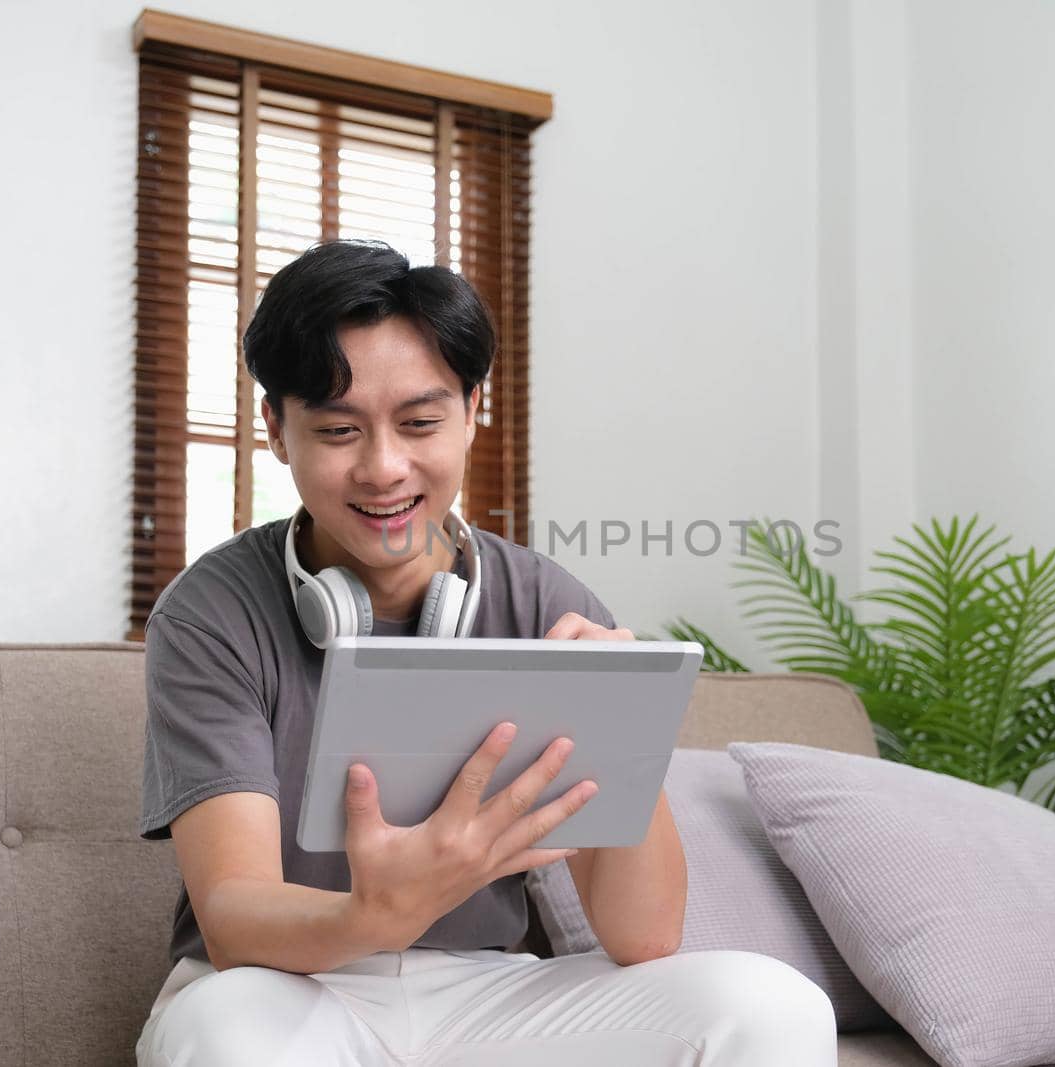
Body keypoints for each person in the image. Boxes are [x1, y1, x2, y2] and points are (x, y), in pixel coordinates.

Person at [134, 239, 837, 1066]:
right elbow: (234, 913)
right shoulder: (211, 611)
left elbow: (645, 936)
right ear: (277, 432)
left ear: (474, 409)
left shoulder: (548, 602)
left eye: (421, 422)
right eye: (337, 429)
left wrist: (619, 722)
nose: (384, 467)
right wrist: (379, 913)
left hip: (482, 992)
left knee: (774, 1006)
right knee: (225, 1037)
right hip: (282, 986)